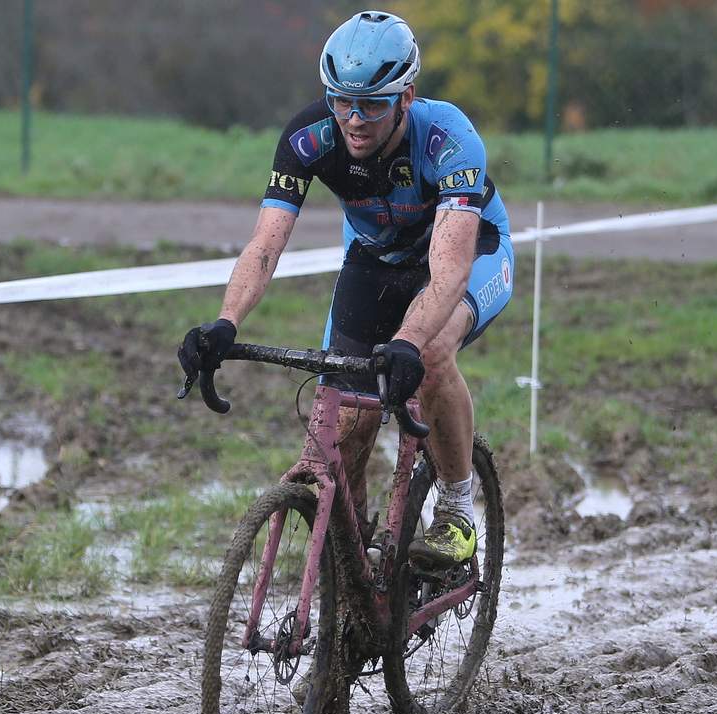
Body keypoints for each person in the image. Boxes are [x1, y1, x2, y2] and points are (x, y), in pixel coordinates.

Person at [179, 10, 513, 570]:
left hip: (468, 254)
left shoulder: (448, 139)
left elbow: (449, 271)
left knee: (429, 354)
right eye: (341, 101)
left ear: (406, 97)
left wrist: (406, 341)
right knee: (346, 422)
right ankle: (355, 561)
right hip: (376, 259)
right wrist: (225, 322)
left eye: (373, 104)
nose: (354, 120)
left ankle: (456, 509)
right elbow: (264, 246)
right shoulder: (310, 137)